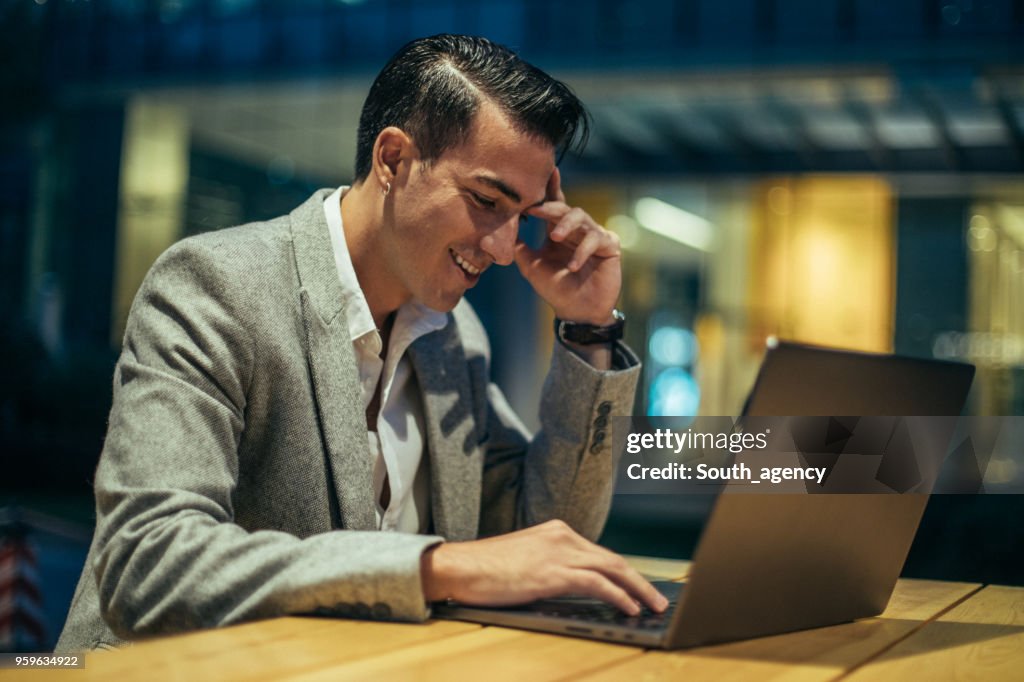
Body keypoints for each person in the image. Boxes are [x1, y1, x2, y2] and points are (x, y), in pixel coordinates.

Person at [56, 34, 667, 653]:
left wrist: (590, 327)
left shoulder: (454, 338)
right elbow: (148, 567)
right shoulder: (214, 289)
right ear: (393, 159)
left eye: (526, 214)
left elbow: (546, 536)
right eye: (486, 201)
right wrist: (435, 568)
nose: (507, 249)